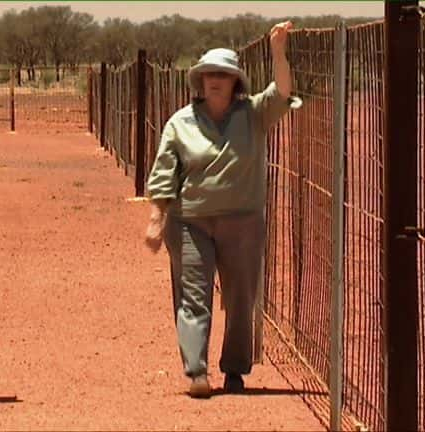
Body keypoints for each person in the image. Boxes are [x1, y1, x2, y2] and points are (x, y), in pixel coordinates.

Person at [144, 21, 301, 398]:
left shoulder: (254, 114)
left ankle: (234, 370)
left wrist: (278, 51)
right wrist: (156, 217)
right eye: (209, 74)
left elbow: (282, 91)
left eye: (223, 74)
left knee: (240, 297)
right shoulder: (179, 123)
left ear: (235, 81)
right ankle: (197, 371)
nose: (215, 80)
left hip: (242, 222)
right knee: (193, 295)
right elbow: (164, 172)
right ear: (200, 80)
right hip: (190, 222)